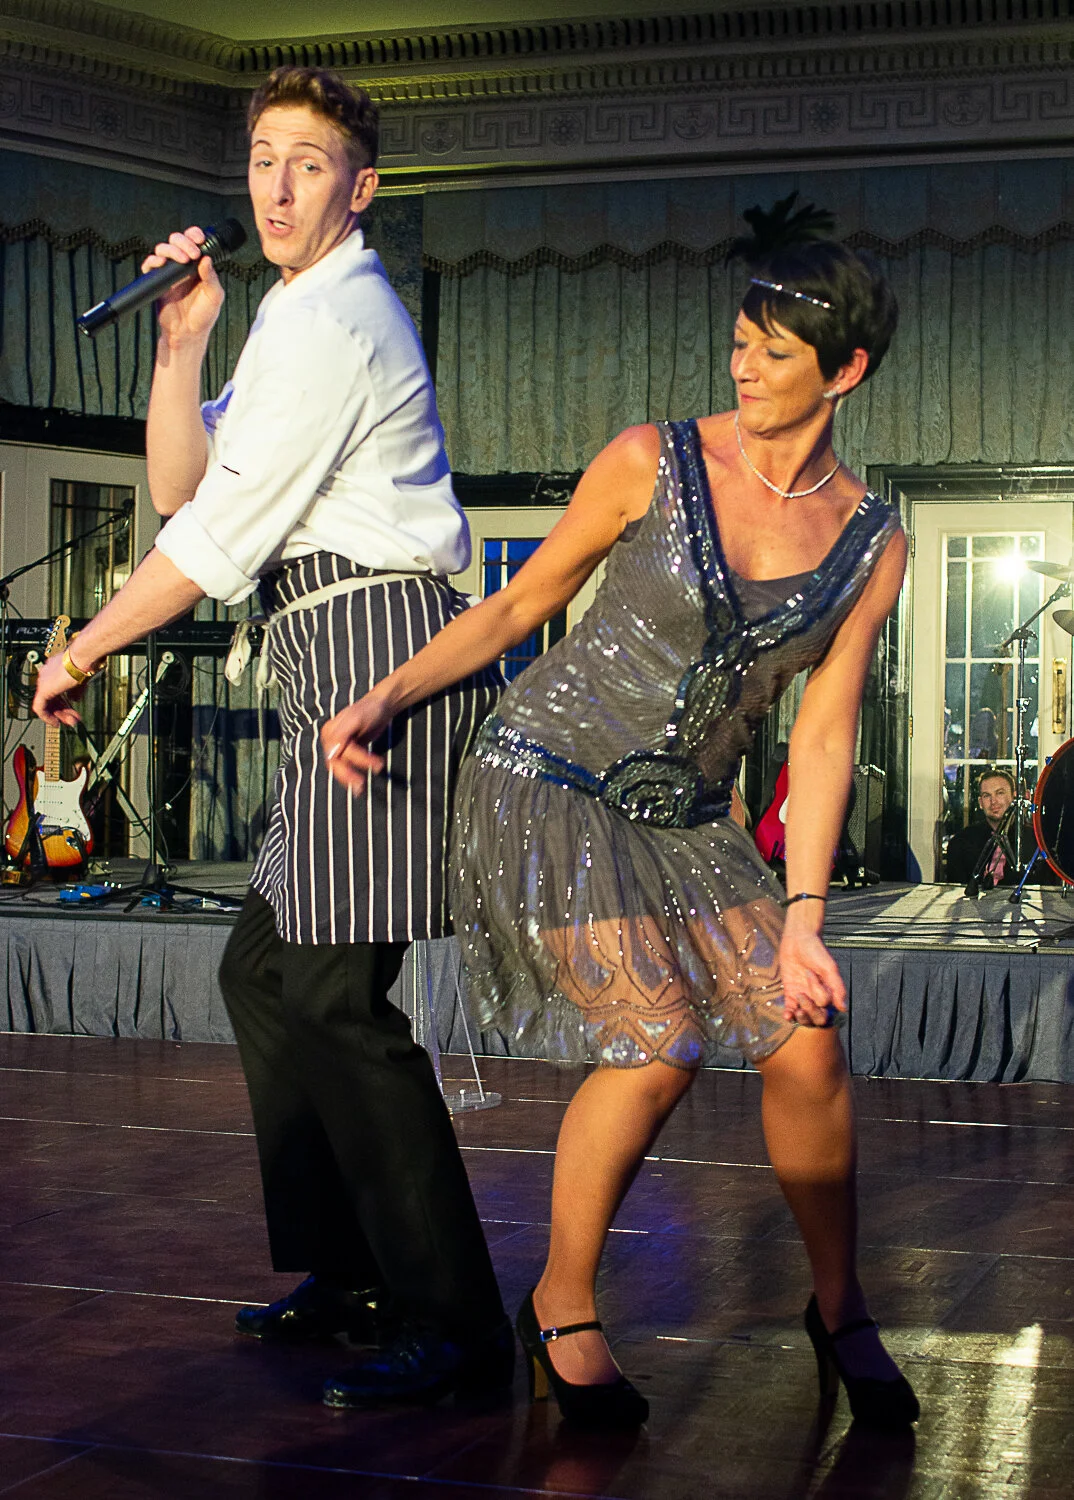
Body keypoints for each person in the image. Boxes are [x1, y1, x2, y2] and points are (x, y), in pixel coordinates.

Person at [322, 196, 920, 1430]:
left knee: (807, 1039)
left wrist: (807, 918)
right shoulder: (652, 458)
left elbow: (823, 734)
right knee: (656, 1043)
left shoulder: (872, 541)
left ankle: (838, 1304)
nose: (744, 367)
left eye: (775, 353)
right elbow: (517, 605)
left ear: (846, 371)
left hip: (688, 811)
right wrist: (384, 696)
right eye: (740, 342)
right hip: (546, 777)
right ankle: (562, 1304)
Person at [32, 65, 511, 1407]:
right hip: (321, 649)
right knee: (263, 973)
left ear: (361, 187)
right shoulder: (288, 319)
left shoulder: (338, 318)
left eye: (309, 162)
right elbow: (182, 487)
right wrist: (182, 345)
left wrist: (83, 648)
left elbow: (209, 549)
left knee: (335, 998)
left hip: (380, 656)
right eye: (261, 159)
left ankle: (455, 1317)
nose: (278, 186)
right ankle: (351, 1270)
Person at [945, 766, 1031, 885]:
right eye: (987, 795)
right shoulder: (960, 842)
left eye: (1000, 793)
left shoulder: (1035, 841)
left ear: (1014, 797)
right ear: (980, 803)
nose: (993, 801)